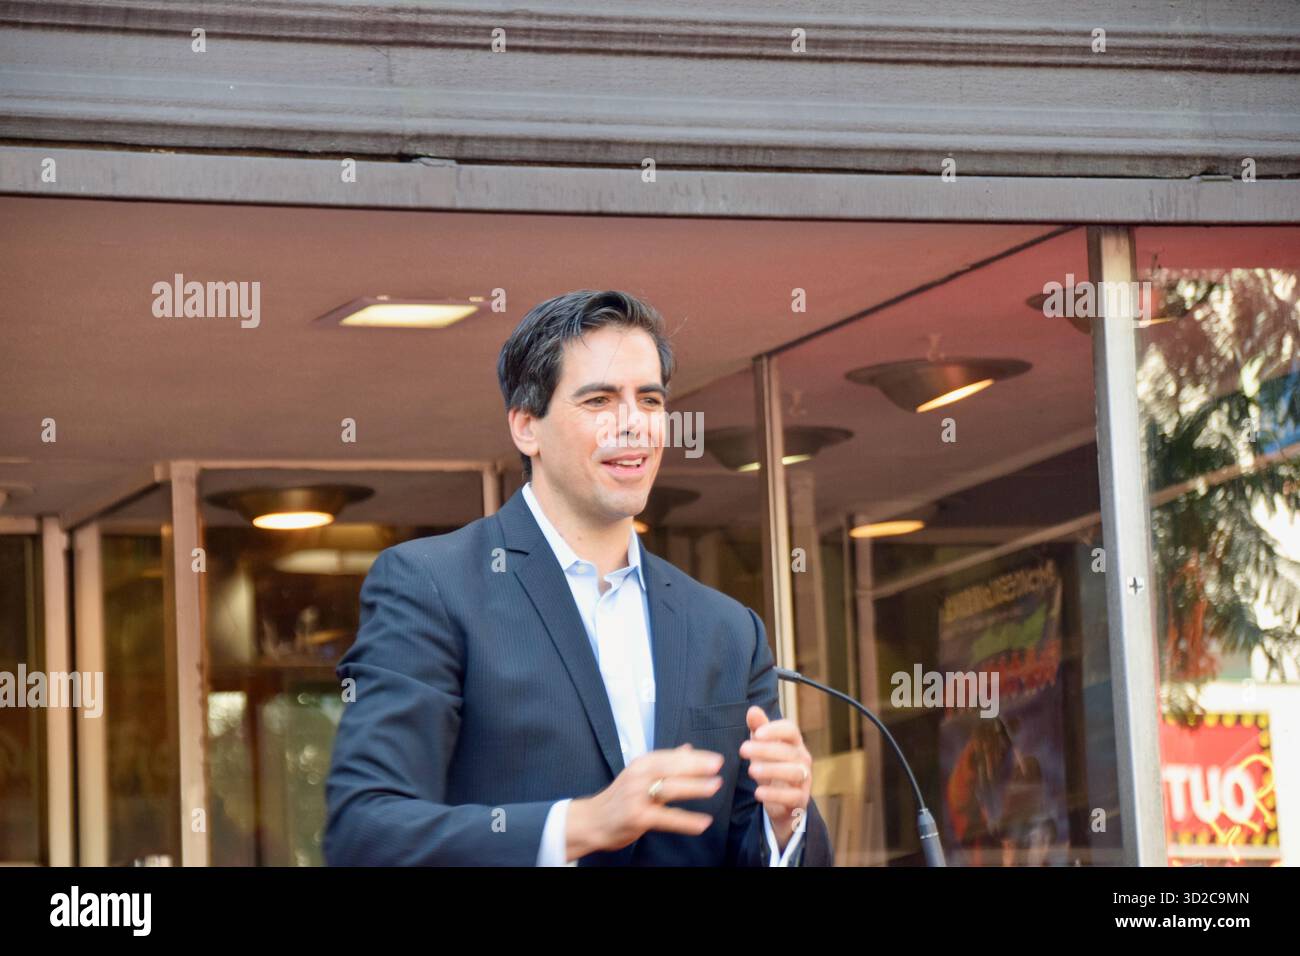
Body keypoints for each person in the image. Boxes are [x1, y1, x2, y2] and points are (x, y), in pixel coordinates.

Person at [324, 289, 833, 866]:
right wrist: (579, 824)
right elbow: (366, 831)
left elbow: (756, 849)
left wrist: (785, 822)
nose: (633, 426)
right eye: (599, 400)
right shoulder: (431, 586)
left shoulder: (728, 631)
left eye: (649, 399)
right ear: (526, 427)